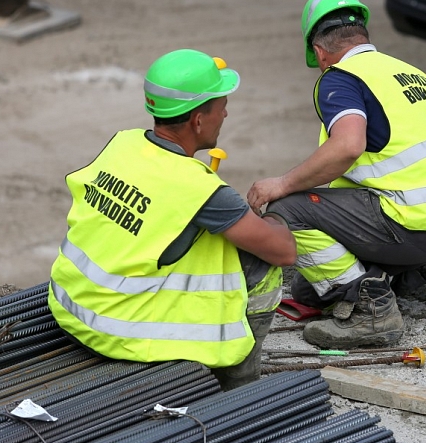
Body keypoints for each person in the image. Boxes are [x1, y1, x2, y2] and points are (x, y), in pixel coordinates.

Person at [246, 0, 426, 349]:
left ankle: (372, 313)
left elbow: (348, 147)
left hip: (401, 225)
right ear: (363, 36)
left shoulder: (340, 77)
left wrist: (283, 183)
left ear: (319, 52)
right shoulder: (414, 77)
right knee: (309, 288)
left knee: (288, 210)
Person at [48, 49, 296, 391]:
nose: (226, 112)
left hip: (71, 307)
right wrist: (281, 214)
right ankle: (238, 381)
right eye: (220, 104)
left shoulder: (123, 144)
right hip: (118, 334)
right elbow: (284, 252)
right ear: (197, 120)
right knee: (262, 267)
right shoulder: (200, 188)